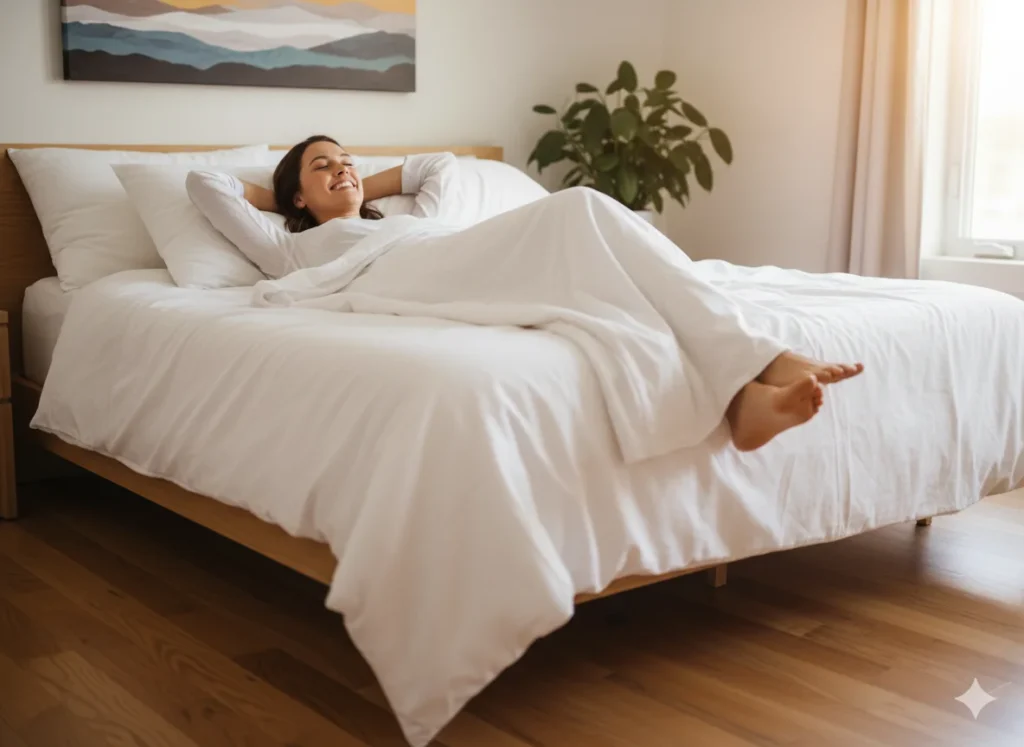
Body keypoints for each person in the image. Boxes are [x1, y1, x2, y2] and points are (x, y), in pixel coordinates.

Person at [186, 135, 863, 455]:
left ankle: (747, 397)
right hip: (403, 277)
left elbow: (437, 166)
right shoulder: (293, 248)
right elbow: (203, 185)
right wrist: (290, 200)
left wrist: (360, 189)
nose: (344, 168)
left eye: (347, 159)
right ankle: (765, 360)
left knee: (620, 286)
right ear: (295, 194)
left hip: (448, 256)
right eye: (323, 165)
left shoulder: (405, 218)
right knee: (580, 209)